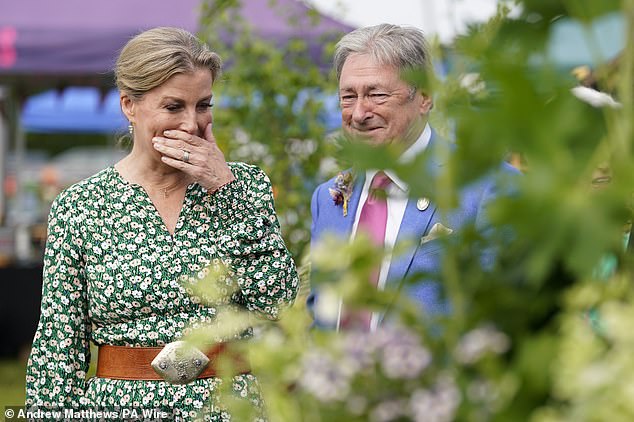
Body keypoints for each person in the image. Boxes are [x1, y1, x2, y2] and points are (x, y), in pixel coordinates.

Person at [25, 27, 299, 419]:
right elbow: (58, 348)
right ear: (128, 105)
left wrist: (227, 191)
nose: (191, 124)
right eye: (173, 107)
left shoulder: (244, 187)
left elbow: (278, 304)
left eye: (203, 105)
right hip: (119, 410)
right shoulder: (81, 206)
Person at [308, 24, 518, 330]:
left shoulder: (487, 185)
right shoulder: (328, 199)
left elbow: (504, 319)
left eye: (376, 94)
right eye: (348, 97)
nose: (358, 113)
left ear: (424, 97)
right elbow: (323, 319)